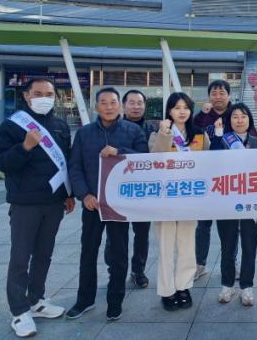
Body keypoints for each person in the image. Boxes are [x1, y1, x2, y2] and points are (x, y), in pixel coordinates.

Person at [0, 77, 75, 338]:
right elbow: (0, 161)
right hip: (25, 203)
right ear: (26, 96)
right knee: (20, 257)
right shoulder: (12, 126)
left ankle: (36, 300)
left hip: (53, 202)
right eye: (38, 93)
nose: (44, 98)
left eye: (49, 94)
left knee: (44, 254)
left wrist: (69, 194)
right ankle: (19, 312)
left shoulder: (60, 126)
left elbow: (66, 162)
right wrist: (25, 147)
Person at [66, 87, 148, 322]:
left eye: (113, 102)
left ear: (120, 106)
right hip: (93, 204)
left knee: (119, 254)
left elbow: (145, 160)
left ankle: (115, 302)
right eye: (104, 102)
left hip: (119, 204)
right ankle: (85, 300)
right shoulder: (84, 133)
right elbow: (75, 166)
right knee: (88, 252)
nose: (109, 107)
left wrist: (120, 152)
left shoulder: (133, 130)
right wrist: (84, 195)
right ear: (96, 107)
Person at [150, 92, 210, 311]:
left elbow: (209, 163)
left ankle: (184, 286)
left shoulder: (200, 134)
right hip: (164, 198)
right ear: (169, 111)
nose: (182, 111)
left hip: (189, 198)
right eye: (177, 107)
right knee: (166, 246)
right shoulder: (158, 133)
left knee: (187, 245)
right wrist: (164, 134)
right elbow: (155, 159)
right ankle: (167, 291)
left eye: (185, 107)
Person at [192, 80, 255, 280]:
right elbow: (192, 134)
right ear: (209, 96)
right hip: (206, 179)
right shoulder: (202, 116)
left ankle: (232, 262)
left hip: (231, 182)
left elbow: (253, 141)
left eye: (222, 93)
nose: (218, 96)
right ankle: (199, 263)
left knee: (231, 226)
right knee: (203, 224)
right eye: (214, 93)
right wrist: (202, 115)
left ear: (229, 95)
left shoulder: (237, 113)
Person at [210, 103, 257, 306]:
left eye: (243, 116)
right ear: (229, 121)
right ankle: (227, 284)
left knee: (250, 245)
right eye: (235, 116)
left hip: (251, 201)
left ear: (249, 119)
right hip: (226, 200)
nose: (239, 120)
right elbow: (212, 160)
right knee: (227, 245)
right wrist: (217, 135)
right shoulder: (222, 140)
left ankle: (247, 287)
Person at [110, 89, 155, 289]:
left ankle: (138, 270)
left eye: (140, 103)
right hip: (118, 189)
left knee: (142, 234)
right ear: (123, 105)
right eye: (132, 102)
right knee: (115, 235)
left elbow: (152, 157)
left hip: (144, 190)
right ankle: (114, 269)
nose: (136, 106)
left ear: (145, 105)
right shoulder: (112, 127)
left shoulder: (152, 129)